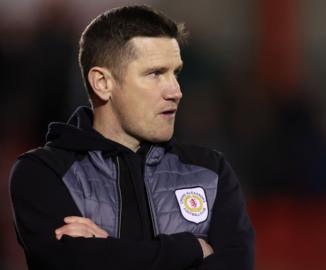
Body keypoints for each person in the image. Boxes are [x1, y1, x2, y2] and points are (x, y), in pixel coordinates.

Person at [9, 5, 255, 270]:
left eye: (176, 73)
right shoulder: (44, 173)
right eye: (155, 73)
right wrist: (192, 247)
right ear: (103, 83)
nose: (176, 91)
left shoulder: (210, 171)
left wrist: (106, 250)